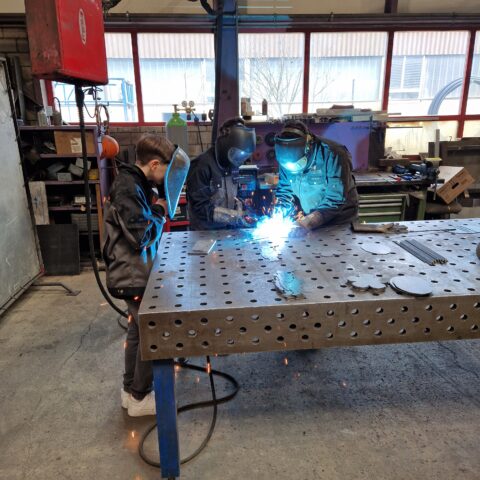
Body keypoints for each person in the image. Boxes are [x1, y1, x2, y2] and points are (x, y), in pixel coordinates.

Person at [102, 134, 190, 416]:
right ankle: (140, 397)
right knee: (152, 334)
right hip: (131, 275)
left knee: (137, 332)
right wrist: (160, 210)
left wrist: (154, 207)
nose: (166, 177)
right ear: (154, 164)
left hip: (133, 271)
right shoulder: (128, 188)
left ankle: (130, 391)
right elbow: (141, 235)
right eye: (165, 169)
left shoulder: (134, 182)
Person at [274, 120, 358, 230]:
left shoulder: (334, 154)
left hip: (339, 222)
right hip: (310, 220)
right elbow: (285, 191)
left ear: (308, 146)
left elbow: (335, 199)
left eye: (298, 163)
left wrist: (308, 222)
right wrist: (279, 213)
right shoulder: (285, 158)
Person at [186, 117, 257, 230]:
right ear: (226, 146)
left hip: (227, 230)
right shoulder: (201, 166)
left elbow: (234, 195)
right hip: (204, 233)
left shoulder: (232, 163)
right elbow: (199, 208)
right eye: (237, 154)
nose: (240, 161)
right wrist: (234, 217)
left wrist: (244, 206)